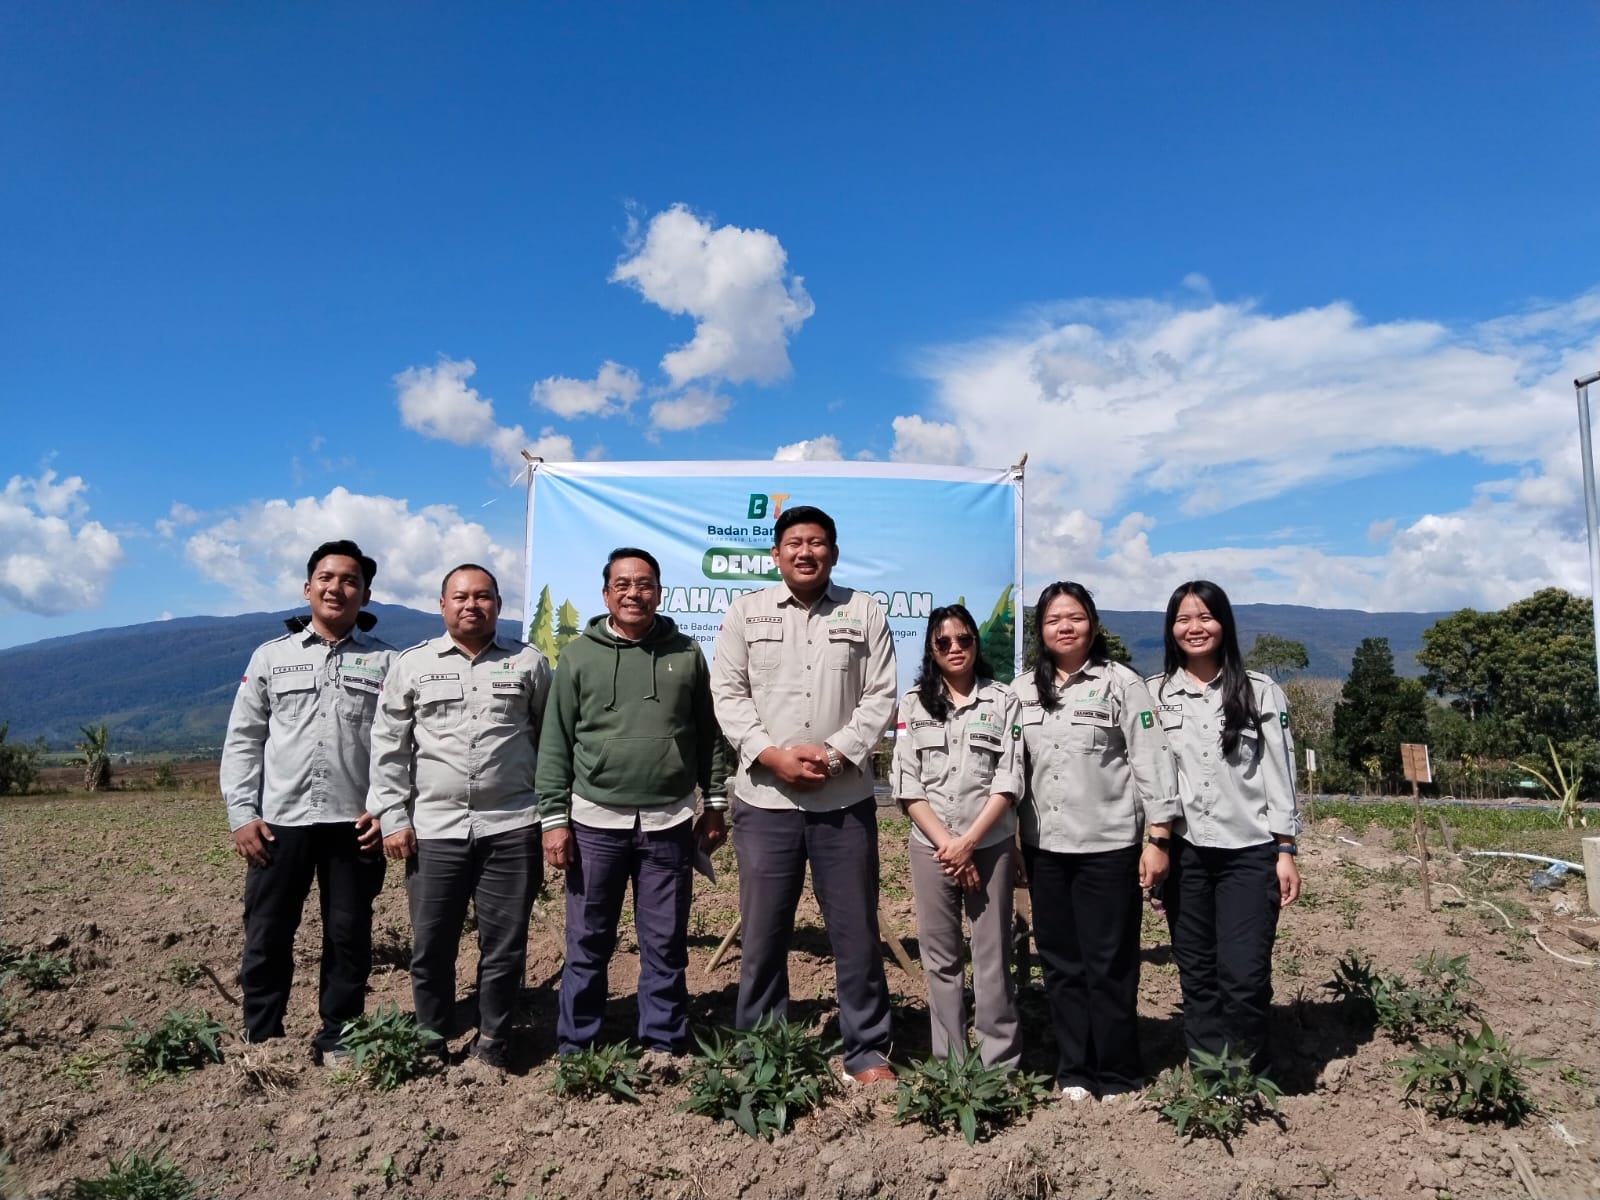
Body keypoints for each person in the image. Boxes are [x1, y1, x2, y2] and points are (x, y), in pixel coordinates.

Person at [710, 505, 899, 1084]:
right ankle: (764, 1049)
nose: (805, 552)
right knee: (763, 932)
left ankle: (866, 1049)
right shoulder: (746, 612)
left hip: (842, 803)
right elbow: (728, 694)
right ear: (775, 554)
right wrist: (772, 756)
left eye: (817, 542)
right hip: (765, 801)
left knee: (856, 930)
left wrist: (837, 752)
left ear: (834, 553)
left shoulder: (863, 611)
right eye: (794, 542)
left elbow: (881, 696)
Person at [536, 547, 730, 1055]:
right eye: (622, 584)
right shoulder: (578, 655)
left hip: (668, 822)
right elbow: (555, 740)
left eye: (644, 584)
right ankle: (578, 1046)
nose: (633, 593)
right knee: (588, 941)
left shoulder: (686, 653)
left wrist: (713, 804)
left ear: (659, 592)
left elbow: (708, 736)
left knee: (665, 941)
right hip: (594, 822)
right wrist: (554, 821)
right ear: (606, 594)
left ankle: (663, 1043)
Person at [367, 563, 552, 1070]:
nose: (472, 605)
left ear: (498, 603)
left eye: (483, 596)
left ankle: (494, 1040)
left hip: (512, 825)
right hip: (434, 830)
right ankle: (431, 1039)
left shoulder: (529, 664)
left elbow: (550, 741)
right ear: (442, 604)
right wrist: (393, 817)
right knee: (431, 944)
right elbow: (388, 748)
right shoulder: (412, 665)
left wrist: (552, 816)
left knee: (504, 944)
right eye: (461, 596)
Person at [220, 539, 395, 1063]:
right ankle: (263, 1035)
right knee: (268, 932)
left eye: (348, 580)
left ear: (364, 595)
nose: (336, 587)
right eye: (326, 577)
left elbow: (398, 744)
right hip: (281, 822)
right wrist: (242, 815)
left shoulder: (387, 662)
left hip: (354, 822)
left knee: (348, 934)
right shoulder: (271, 657)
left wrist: (385, 807)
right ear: (308, 587)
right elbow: (243, 740)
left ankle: (340, 1036)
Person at [1014, 580, 1177, 1101]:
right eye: (1054, 619)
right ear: (1040, 630)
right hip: (1045, 848)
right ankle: (1075, 1067)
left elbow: (1152, 763)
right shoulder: (1021, 693)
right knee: (1060, 963)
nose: (1065, 626)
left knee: (1110, 962)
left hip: (1108, 846)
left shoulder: (1123, 685)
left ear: (1093, 624)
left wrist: (1158, 838)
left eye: (1076, 617)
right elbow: (1008, 774)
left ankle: (1119, 1072)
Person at [1148, 580, 1300, 1074]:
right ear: (1171, 630)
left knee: (1244, 972)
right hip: (1186, 852)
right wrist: (1151, 849)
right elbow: (1146, 781)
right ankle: (1209, 1071)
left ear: (1224, 623)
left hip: (1249, 851)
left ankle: (1249, 1067)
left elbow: (1280, 771)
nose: (1195, 628)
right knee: (1196, 971)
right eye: (1183, 619)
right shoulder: (1154, 695)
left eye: (1205, 617)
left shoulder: (1259, 690)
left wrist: (1285, 849)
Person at [892, 604, 1023, 1068]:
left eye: (963, 639)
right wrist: (950, 845)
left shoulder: (1004, 701)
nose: (954, 648)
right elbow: (906, 784)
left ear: (975, 644)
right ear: (931, 648)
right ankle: (950, 1063)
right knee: (940, 957)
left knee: (992, 957)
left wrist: (968, 843)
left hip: (989, 847)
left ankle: (999, 1065)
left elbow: (1009, 781)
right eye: (943, 641)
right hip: (932, 849)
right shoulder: (913, 703)